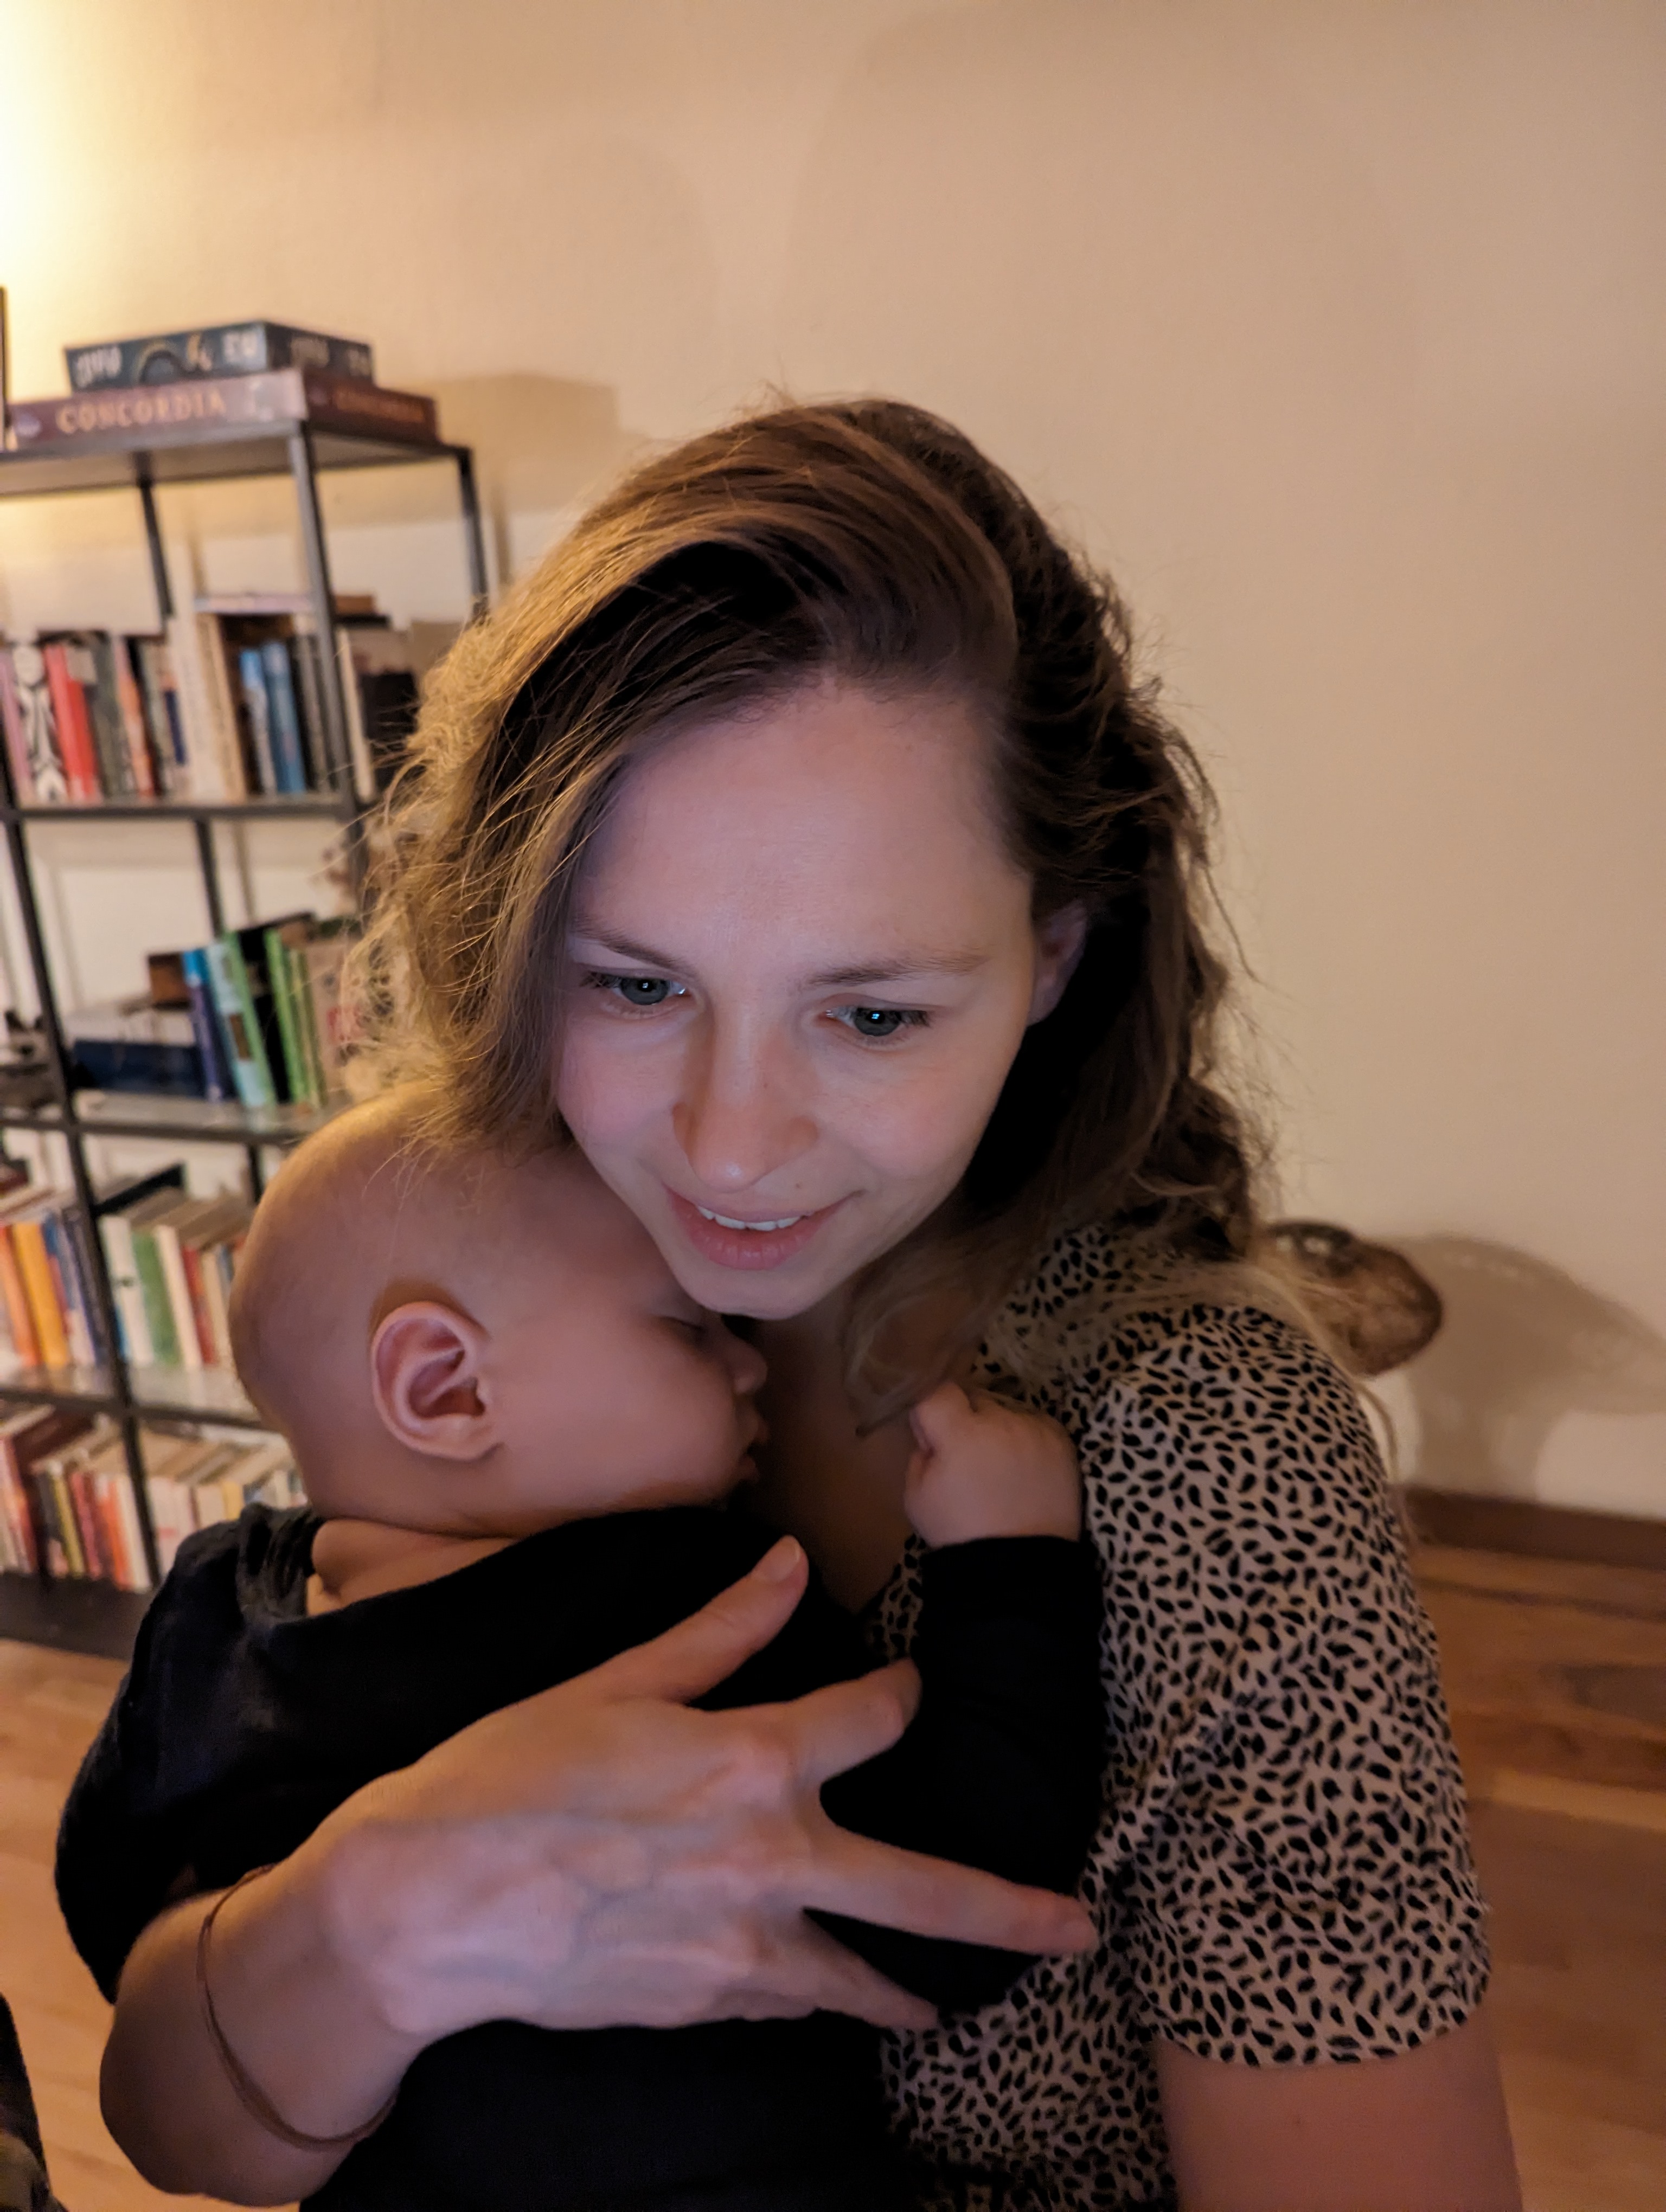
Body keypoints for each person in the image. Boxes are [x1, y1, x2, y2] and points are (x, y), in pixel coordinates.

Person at [92, 400, 1520, 2211]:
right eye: (635, 986)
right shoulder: (452, 1286)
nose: (730, 1149)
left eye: (872, 1014)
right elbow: (168, 2117)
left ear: (1052, 958)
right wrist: (376, 1921)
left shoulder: (1203, 1453)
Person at [57, 1091, 1103, 2210]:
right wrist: (1011, 1563)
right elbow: (956, 1908)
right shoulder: (694, 1605)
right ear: (446, 1387)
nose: (751, 1366)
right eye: (690, 1327)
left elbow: (108, 1905)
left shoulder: (211, 1617)